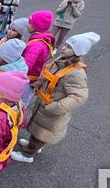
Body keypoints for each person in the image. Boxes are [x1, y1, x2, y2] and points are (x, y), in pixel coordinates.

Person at [12, 32, 100, 163]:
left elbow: (79, 96)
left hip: (52, 110)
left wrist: (57, 107)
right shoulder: (60, 61)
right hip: (44, 105)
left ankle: (28, 154)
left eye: (69, 47)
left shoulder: (76, 73)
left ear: (78, 52)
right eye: (65, 45)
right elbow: (46, 74)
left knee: (42, 132)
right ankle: (33, 145)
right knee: (37, 129)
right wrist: (39, 84)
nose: (64, 48)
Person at [21, 10, 55, 108]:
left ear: (37, 26)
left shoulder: (36, 44)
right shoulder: (42, 39)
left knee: (21, 103)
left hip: (28, 80)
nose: (27, 25)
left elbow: (26, 66)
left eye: (30, 23)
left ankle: (18, 120)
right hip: (32, 78)